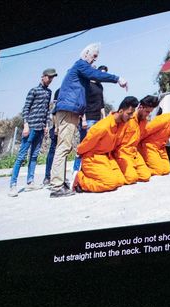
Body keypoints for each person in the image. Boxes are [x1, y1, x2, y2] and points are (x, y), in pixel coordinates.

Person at [49, 43, 128, 197]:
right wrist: (117, 79)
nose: (94, 60)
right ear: (86, 54)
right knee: (63, 147)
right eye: (94, 56)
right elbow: (96, 74)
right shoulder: (80, 64)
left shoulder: (80, 70)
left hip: (71, 110)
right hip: (68, 109)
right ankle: (56, 186)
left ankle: (60, 182)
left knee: (65, 147)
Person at [8, 68, 57, 197]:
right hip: (30, 128)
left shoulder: (49, 92)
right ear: (43, 77)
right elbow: (26, 109)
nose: (50, 80)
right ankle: (13, 185)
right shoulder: (34, 90)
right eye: (49, 77)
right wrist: (25, 125)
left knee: (34, 156)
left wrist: (46, 125)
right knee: (21, 156)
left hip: (41, 129)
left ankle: (30, 182)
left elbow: (47, 110)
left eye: (52, 78)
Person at [73, 96, 138, 193]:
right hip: (92, 157)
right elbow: (86, 144)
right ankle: (80, 180)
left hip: (107, 157)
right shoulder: (103, 126)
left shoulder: (122, 124)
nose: (131, 117)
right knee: (110, 183)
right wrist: (79, 155)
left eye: (132, 114)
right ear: (120, 111)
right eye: (129, 114)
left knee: (120, 181)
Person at [72, 65, 110, 179]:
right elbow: (82, 102)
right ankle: (76, 169)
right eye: (101, 73)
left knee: (95, 145)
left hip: (97, 119)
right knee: (84, 145)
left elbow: (101, 103)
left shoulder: (100, 86)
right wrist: (83, 118)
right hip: (88, 118)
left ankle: (89, 170)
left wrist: (104, 117)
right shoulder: (87, 84)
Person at [113, 95, 159, 184]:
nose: (147, 114)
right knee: (131, 178)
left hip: (134, 153)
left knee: (146, 176)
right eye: (147, 111)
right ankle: (118, 170)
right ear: (140, 107)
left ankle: (129, 170)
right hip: (123, 152)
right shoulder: (127, 118)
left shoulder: (144, 121)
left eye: (149, 112)